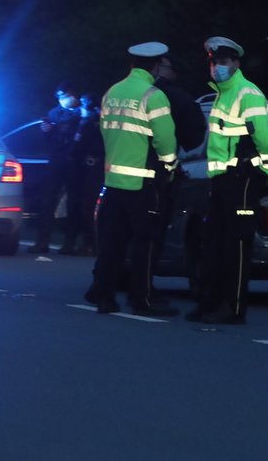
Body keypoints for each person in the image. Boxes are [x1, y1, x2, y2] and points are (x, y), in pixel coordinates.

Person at [185, 36, 268, 325]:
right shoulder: (223, 94)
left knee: (236, 245)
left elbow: (264, 138)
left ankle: (233, 307)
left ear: (236, 63)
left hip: (242, 178)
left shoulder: (246, 92)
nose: (217, 67)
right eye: (214, 62)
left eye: (223, 62)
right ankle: (209, 302)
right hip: (222, 180)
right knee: (214, 243)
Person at [85, 42, 180, 317]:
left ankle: (104, 296)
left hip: (113, 181)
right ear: (155, 66)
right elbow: (165, 139)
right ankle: (143, 299)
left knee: (111, 242)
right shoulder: (154, 95)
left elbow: (105, 131)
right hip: (143, 184)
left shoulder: (112, 92)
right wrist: (170, 166)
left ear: (132, 64)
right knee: (145, 243)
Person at [150, 53, 206, 295]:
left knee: (124, 232)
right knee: (152, 232)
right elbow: (193, 137)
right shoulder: (177, 98)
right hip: (159, 178)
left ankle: (105, 289)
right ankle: (144, 292)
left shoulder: (120, 93)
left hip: (119, 178)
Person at [29, 82, 83, 255]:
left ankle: (69, 244)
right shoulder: (54, 113)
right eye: (61, 97)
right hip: (56, 161)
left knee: (74, 203)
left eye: (66, 95)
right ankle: (42, 242)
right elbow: (46, 142)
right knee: (47, 202)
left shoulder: (84, 113)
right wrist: (47, 131)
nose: (64, 99)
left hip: (76, 163)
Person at [61, 93, 104, 256]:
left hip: (84, 169)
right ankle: (87, 243)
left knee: (80, 206)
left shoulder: (87, 122)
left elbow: (75, 147)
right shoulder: (108, 123)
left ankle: (78, 243)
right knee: (88, 206)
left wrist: (71, 157)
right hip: (96, 168)